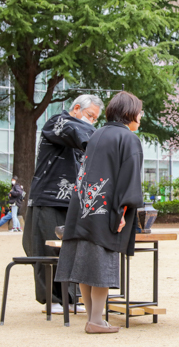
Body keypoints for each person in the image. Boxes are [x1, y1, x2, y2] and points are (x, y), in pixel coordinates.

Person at [55, 91, 144, 334]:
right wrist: (123, 213)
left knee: (85, 263)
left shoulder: (97, 135)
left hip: (83, 207)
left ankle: (94, 318)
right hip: (105, 210)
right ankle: (96, 320)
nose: (141, 116)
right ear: (129, 113)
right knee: (101, 262)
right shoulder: (128, 139)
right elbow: (128, 179)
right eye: (139, 111)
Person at [23, 94, 103, 314]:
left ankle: (71, 296)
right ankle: (52, 299)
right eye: (90, 115)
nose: (92, 121)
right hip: (48, 198)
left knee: (72, 249)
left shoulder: (85, 131)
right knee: (46, 248)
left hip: (73, 202)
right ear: (76, 108)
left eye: (95, 119)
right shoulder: (57, 122)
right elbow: (78, 132)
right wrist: (104, 137)